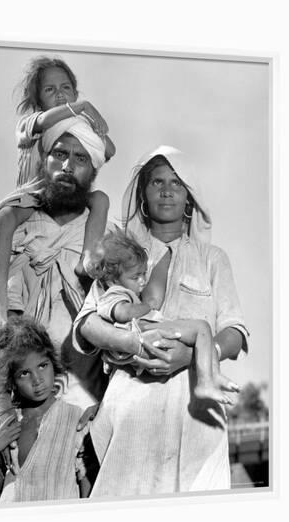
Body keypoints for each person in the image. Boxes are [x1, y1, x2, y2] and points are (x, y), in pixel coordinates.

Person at [73, 145, 249, 497]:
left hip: (195, 413)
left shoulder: (212, 259)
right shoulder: (119, 253)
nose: (167, 190)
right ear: (142, 194)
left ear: (189, 197)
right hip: (132, 410)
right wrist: (133, 343)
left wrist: (194, 356)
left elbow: (234, 331)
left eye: (177, 183)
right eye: (156, 182)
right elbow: (88, 323)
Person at [0, 119, 111, 502]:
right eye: (60, 154)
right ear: (45, 160)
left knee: (89, 482)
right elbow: (3, 315)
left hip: (81, 379)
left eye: (80, 158)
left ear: (93, 170)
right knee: (1, 479)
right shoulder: (20, 222)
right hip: (19, 383)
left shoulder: (100, 229)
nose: (68, 166)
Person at [0, 57, 116, 325]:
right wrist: (81, 107)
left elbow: (109, 150)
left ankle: (88, 257)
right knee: (7, 217)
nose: (60, 95)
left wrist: (94, 128)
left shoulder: (76, 126)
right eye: (50, 90)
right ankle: (1, 299)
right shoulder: (32, 121)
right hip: (34, 196)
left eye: (66, 88)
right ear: (37, 99)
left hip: (68, 192)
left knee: (100, 198)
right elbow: (44, 121)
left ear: (74, 90)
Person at [86, 230, 239, 404]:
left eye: (144, 274)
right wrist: (146, 307)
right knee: (202, 328)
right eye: (136, 277)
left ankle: (212, 377)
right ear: (112, 279)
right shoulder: (114, 293)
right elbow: (122, 313)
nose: (143, 281)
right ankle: (206, 381)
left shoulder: (121, 290)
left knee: (202, 335)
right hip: (145, 330)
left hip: (147, 333)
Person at [0, 316, 91, 503]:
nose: (37, 379)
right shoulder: (7, 424)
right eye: (24, 373)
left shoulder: (75, 418)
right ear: (12, 381)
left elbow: (85, 483)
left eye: (42, 366)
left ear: (53, 363)